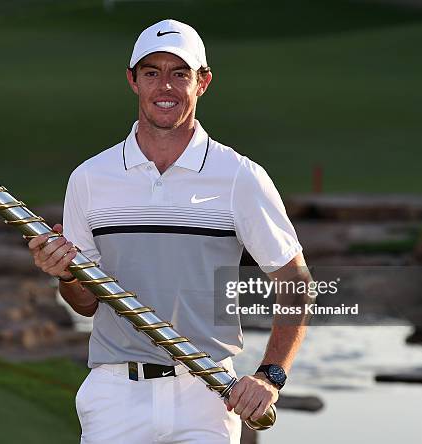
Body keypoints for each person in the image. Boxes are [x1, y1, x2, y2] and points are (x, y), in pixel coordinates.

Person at [29, 19, 310, 444]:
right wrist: (66, 275)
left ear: (203, 82)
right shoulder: (90, 178)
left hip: (208, 398)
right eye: (152, 72)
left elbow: (296, 283)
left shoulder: (239, 177)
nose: (166, 86)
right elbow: (85, 304)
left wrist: (271, 375)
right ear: (132, 80)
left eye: (180, 73)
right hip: (115, 396)